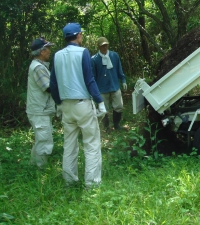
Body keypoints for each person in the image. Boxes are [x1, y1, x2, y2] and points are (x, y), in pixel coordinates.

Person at [50, 23, 107, 189]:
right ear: (78, 35)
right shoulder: (83, 52)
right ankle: (92, 184)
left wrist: (58, 103)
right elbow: (89, 80)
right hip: (82, 103)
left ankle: (69, 180)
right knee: (91, 143)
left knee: (69, 144)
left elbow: (53, 83)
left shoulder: (57, 55)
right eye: (81, 34)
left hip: (66, 105)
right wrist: (100, 102)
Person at [26, 37, 56, 168]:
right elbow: (48, 88)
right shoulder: (38, 67)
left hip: (40, 110)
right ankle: (40, 170)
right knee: (44, 140)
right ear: (42, 51)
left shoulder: (39, 66)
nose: (50, 51)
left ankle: (33, 166)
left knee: (40, 139)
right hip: (40, 110)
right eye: (48, 48)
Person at [91, 37, 127, 131]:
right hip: (102, 88)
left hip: (114, 85)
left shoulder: (114, 55)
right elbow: (93, 76)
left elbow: (119, 69)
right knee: (103, 110)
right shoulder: (94, 59)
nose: (104, 47)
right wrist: (93, 90)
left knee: (119, 106)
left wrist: (123, 80)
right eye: (102, 45)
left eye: (106, 45)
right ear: (98, 46)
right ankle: (106, 127)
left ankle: (117, 125)